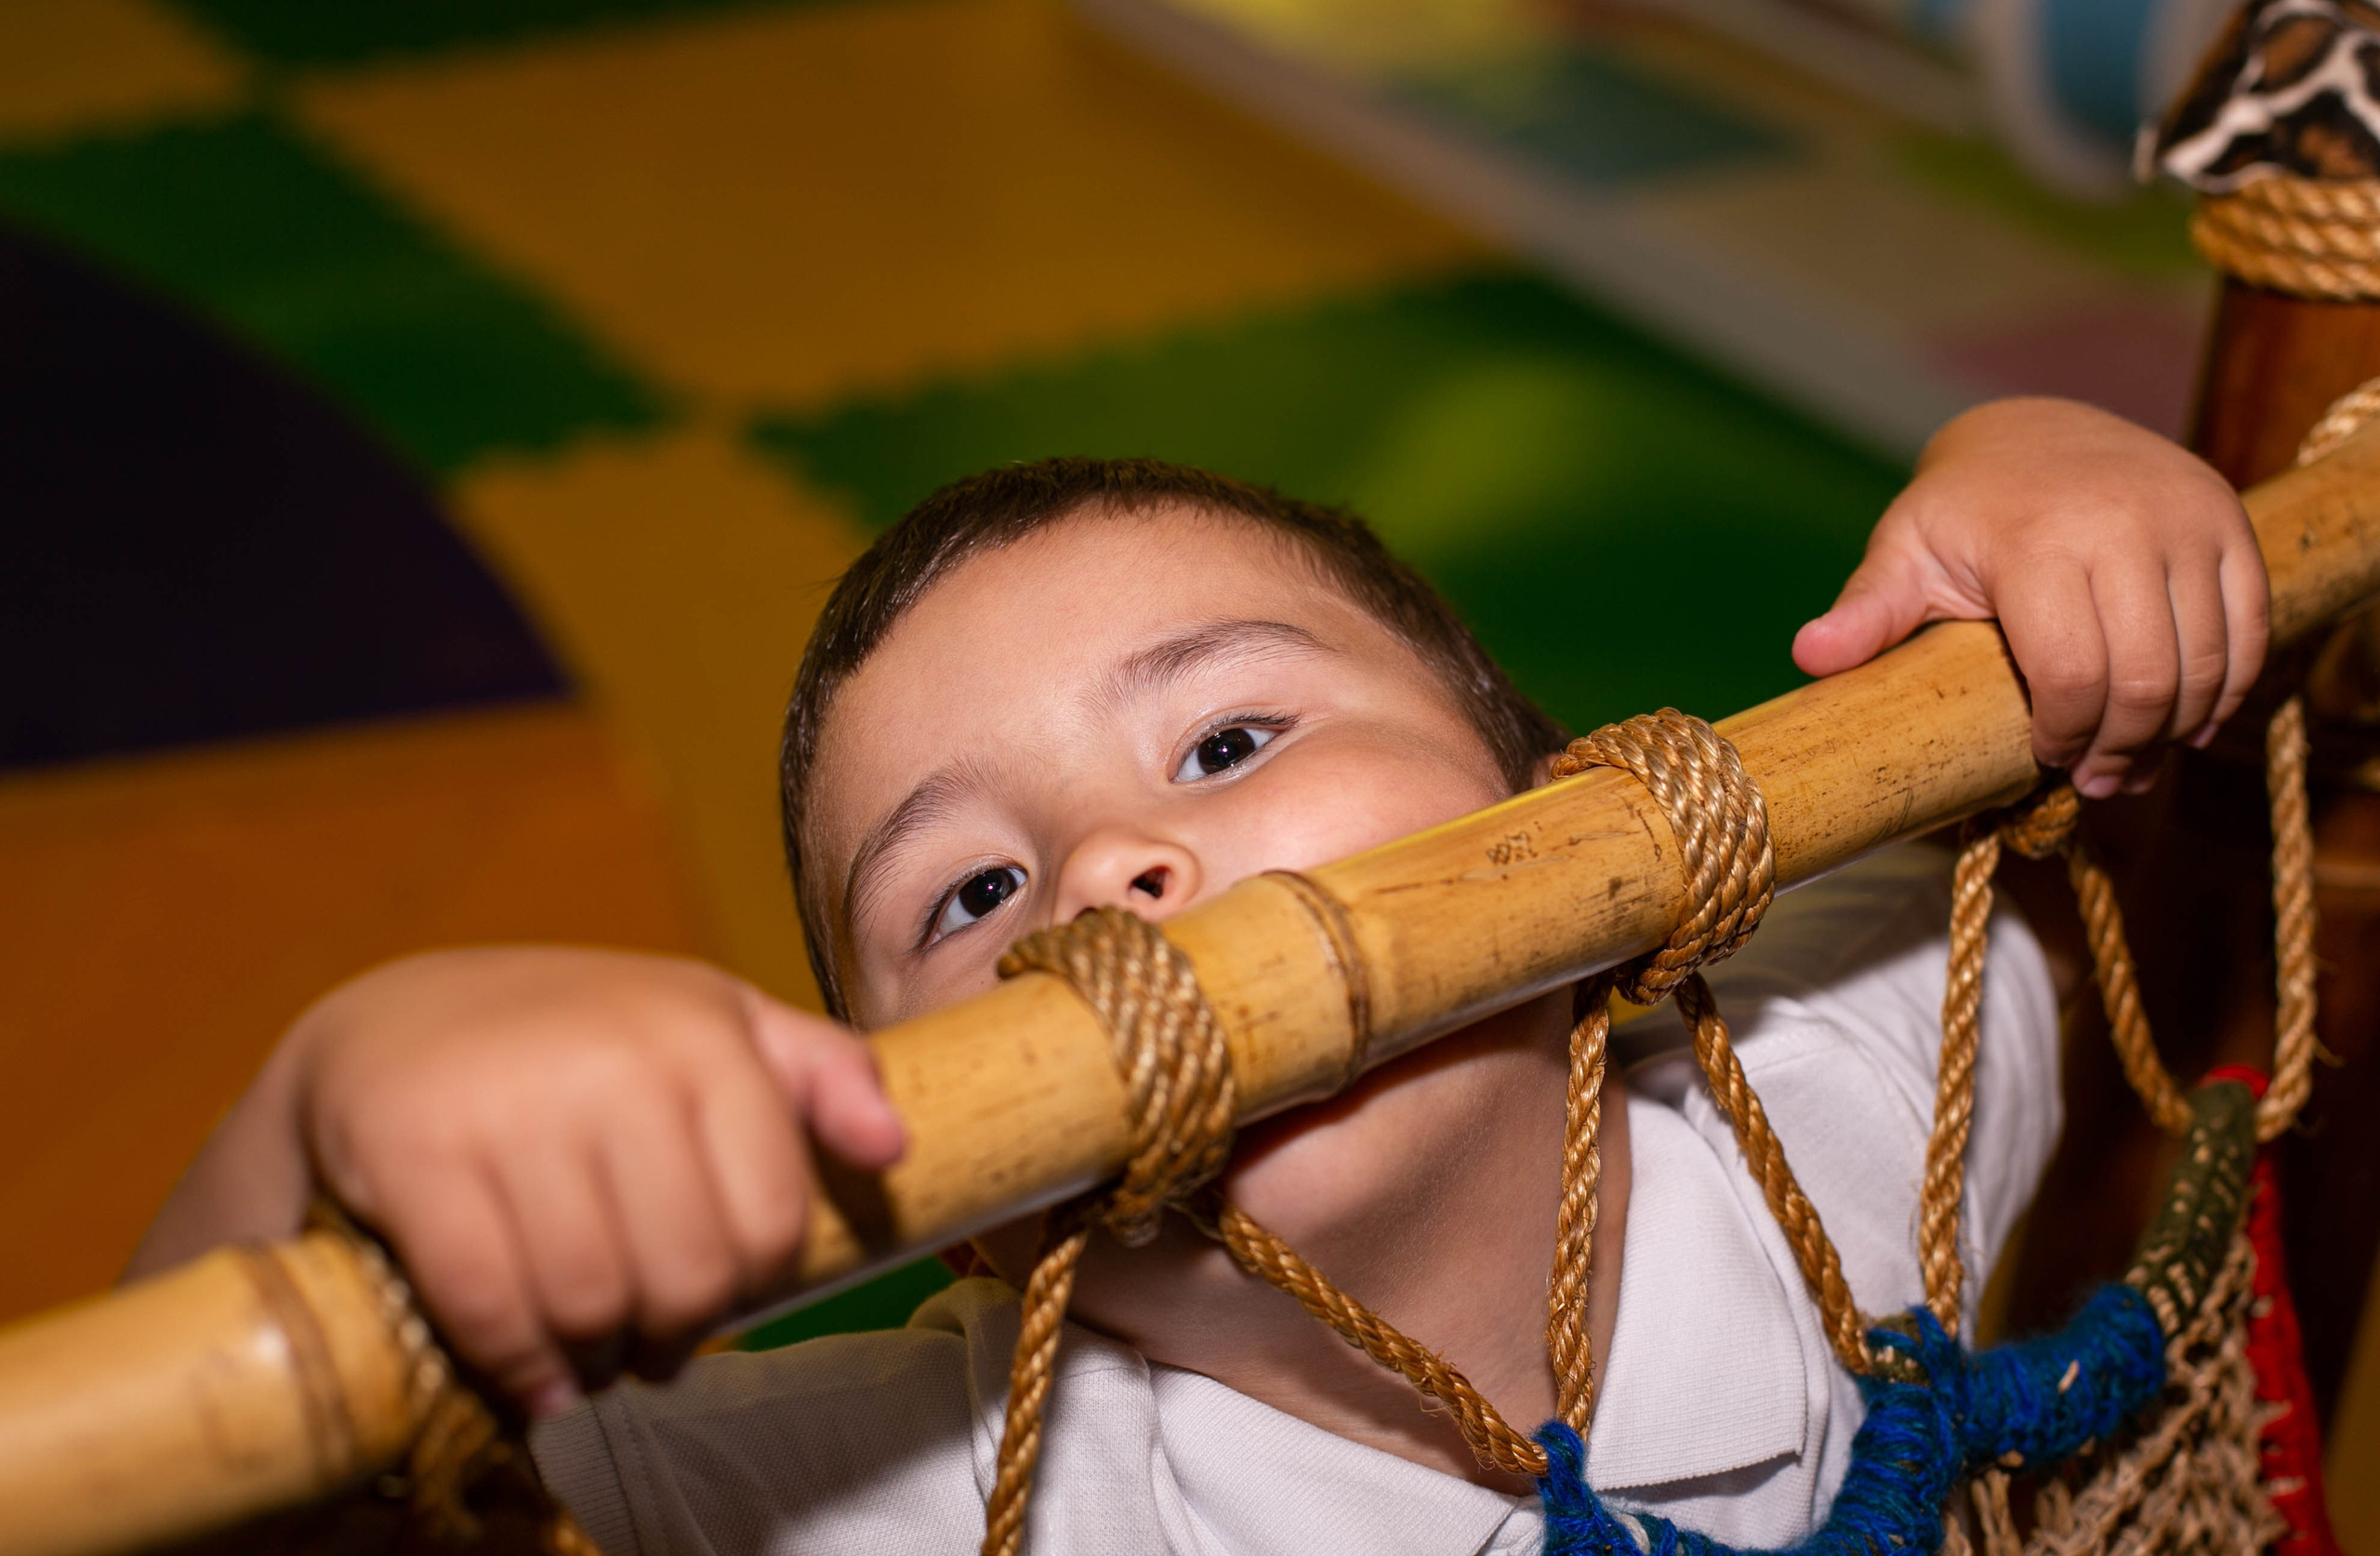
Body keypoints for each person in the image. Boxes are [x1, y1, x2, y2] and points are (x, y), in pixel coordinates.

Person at [128, 398, 2267, 1556]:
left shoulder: (1842, 1076)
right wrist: (330, 1112)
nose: (1101, 869)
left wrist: (2049, 477)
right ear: (930, 1166)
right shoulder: (894, 1486)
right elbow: (230, 1511)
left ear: (1555, 827)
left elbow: (2095, 778)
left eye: (1228, 741)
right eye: (964, 896)